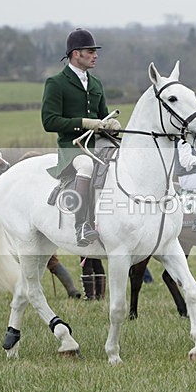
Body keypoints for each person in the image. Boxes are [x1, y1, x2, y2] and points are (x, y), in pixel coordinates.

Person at [41, 28, 120, 247]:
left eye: (95, 51)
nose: (96, 55)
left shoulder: (96, 83)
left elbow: (102, 116)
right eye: (91, 51)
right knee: (86, 166)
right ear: (76, 54)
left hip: (98, 143)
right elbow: (49, 122)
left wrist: (111, 125)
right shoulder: (56, 83)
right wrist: (83, 123)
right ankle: (81, 225)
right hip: (72, 147)